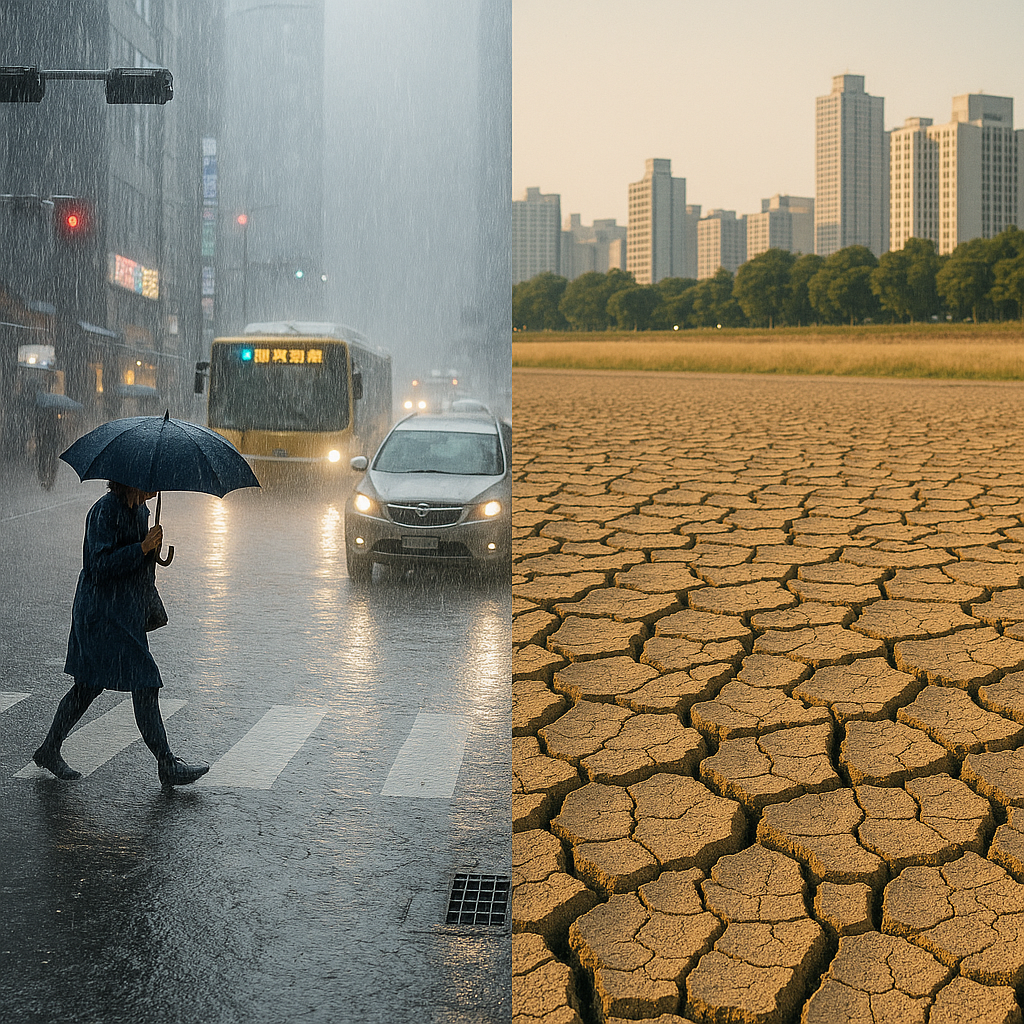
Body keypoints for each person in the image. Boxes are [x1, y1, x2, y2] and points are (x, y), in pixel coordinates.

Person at [33, 481, 209, 787]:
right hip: (101, 614)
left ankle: (49, 749)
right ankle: (166, 764)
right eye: (150, 482)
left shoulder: (141, 511)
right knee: (140, 681)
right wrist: (140, 548)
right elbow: (98, 566)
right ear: (131, 480)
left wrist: (153, 552)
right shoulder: (104, 511)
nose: (156, 488)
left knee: (91, 686)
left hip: (125, 613)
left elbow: (138, 565)